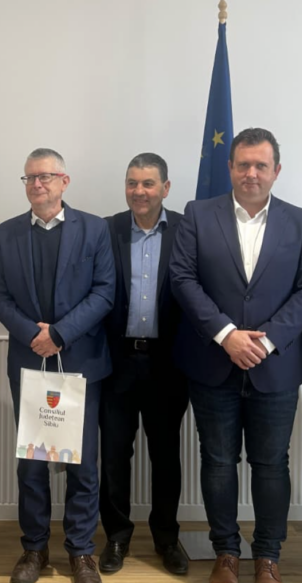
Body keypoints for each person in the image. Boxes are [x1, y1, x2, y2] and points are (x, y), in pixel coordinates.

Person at [170, 127, 302, 583]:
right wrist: (227, 335)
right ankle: (226, 553)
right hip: (212, 363)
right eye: (243, 164)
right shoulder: (198, 214)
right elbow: (182, 278)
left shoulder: (301, 221)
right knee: (218, 463)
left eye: (261, 165)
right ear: (230, 167)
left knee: (271, 464)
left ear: (276, 170)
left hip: (275, 366)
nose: (251, 173)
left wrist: (265, 340)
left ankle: (268, 556)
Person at [0, 148, 114, 583]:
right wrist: (33, 335)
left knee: (83, 464)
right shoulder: (5, 233)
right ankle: (34, 549)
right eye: (29, 178)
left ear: (64, 181)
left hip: (80, 363)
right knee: (32, 464)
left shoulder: (95, 229)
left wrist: (59, 334)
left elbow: (104, 292)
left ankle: (81, 551)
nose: (37, 184)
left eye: (45, 176)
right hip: (29, 364)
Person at [98, 153, 189, 576]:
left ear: (165, 188)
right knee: (114, 455)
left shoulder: (187, 230)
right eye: (132, 183)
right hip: (116, 361)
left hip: (168, 362)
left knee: (166, 455)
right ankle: (117, 537)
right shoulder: (107, 229)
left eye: (148, 183)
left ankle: (166, 538)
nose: (139, 191)